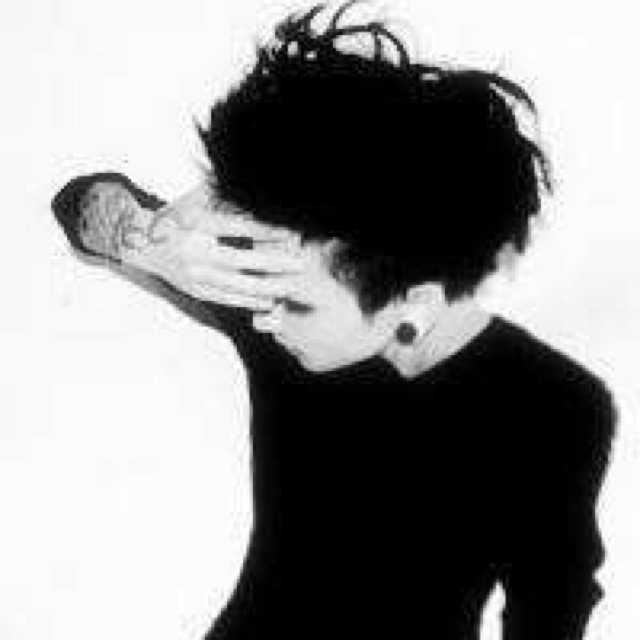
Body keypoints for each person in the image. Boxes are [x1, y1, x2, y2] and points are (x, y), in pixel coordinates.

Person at [52, 3, 617, 639]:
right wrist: (143, 234)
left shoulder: (557, 409)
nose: (264, 319)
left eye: (296, 305)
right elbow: (80, 205)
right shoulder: (289, 297)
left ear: (415, 304)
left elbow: (553, 601)